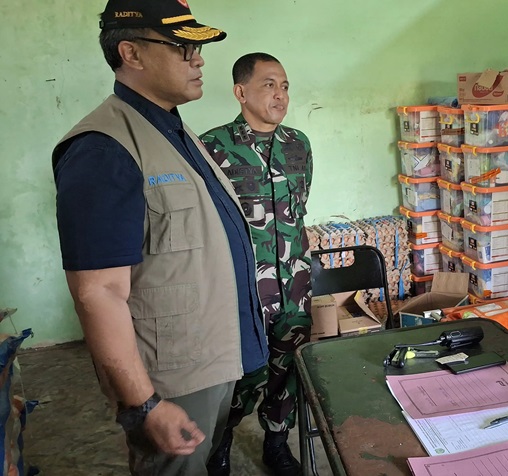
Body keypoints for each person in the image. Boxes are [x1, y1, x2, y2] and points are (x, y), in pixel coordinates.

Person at [52, 1, 269, 474]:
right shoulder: (103, 149)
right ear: (131, 52)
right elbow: (98, 292)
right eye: (182, 46)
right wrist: (144, 404)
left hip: (216, 358)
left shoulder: (173, 129)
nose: (198, 59)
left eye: (198, 47)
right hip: (173, 379)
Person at [201, 53, 313, 476]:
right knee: (240, 374)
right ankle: (221, 444)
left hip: (294, 285)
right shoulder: (212, 147)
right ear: (241, 92)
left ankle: (277, 444)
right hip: (242, 289)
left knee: (288, 368)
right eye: (269, 85)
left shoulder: (298, 144)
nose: (280, 94)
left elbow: (300, 210)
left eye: (284, 85)